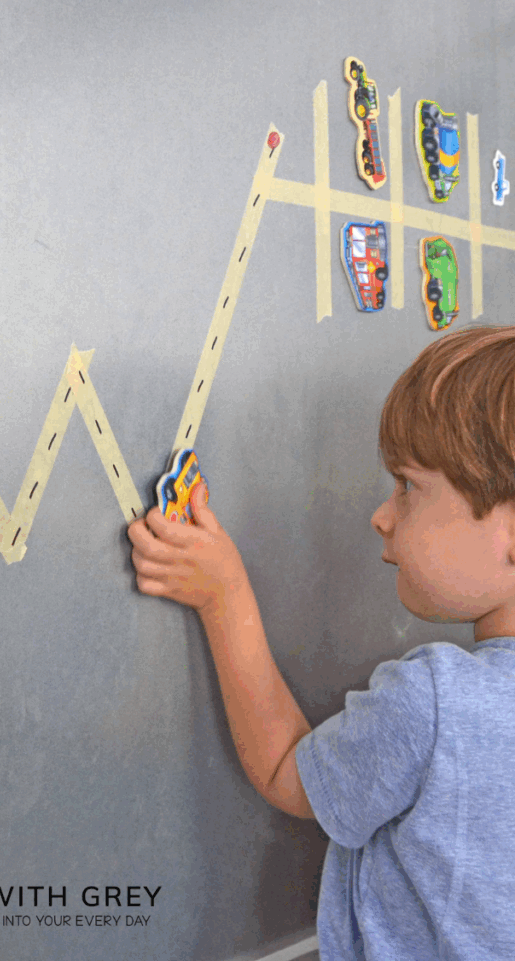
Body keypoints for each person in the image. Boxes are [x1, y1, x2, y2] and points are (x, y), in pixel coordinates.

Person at [128, 325, 515, 960]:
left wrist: (223, 596)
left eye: (408, 485)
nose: (381, 515)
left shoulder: (437, 704)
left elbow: (286, 771)